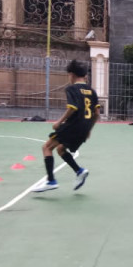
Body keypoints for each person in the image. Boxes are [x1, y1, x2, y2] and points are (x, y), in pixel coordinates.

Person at [35, 58, 97, 194]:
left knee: (46, 147)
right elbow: (97, 113)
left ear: (72, 75)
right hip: (84, 128)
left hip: (73, 126)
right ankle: (79, 171)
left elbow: (72, 108)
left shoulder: (72, 89)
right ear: (85, 75)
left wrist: (59, 122)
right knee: (61, 149)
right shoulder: (92, 91)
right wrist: (89, 130)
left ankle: (51, 181)